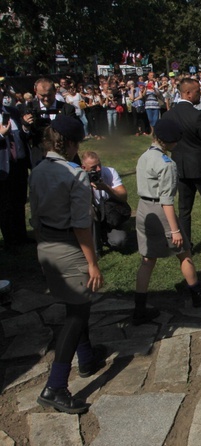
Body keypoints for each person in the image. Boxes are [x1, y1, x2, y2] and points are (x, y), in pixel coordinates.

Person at [30, 115, 106, 414]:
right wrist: (92, 262)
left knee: (76, 304)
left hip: (46, 244)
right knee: (76, 315)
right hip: (68, 245)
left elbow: (34, 215)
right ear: (73, 145)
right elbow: (81, 225)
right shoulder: (75, 174)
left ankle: (86, 358)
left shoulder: (37, 171)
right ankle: (55, 386)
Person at [133, 120, 201, 325]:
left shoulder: (144, 156)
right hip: (161, 211)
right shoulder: (167, 164)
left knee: (147, 259)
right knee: (184, 252)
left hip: (143, 208)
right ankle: (197, 293)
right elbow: (166, 201)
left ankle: (138, 308)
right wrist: (174, 230)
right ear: (171, 141)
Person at [162, 78, 201, 255]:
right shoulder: (198, 116)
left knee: (184, 209)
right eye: (198, 91)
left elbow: (164, 141)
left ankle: (186, 244)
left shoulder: (169, 115)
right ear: (188, 93)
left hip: (180, 166)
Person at [0, 83, 33, 249]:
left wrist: (26, 127)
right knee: (4, 205)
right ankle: (10, 240)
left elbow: (22, 136)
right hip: (2, 166)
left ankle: (22, 235)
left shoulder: (12, 111)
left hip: (19, 164)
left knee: (19, 201)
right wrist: (0, 135)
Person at [80, 151, 129, 250]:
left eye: (99, 165)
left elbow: (124, 196)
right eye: (93, 168)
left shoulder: (109, 172)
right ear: (84, 168)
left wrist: (106, 188)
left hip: (108, 214)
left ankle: (105, 235)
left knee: (120, 241)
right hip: (89, 217)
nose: (98, 169)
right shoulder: (78, 177)